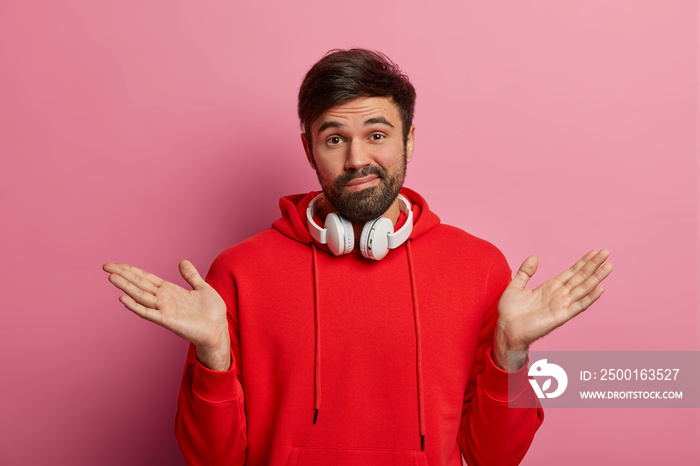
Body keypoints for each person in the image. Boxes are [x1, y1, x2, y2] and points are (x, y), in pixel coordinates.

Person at [103, 49, 613, 466]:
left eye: (376, 134)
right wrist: (214, 356)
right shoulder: (238, 271)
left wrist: (511, 353)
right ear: (309, 150)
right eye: (334, 139)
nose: (357, 160)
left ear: (408, 139)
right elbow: (211, 461)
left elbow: (493, 459)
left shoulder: (479, 268)